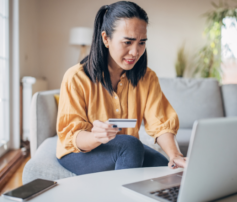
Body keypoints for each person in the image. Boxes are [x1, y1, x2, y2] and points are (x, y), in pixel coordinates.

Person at [56, 1, 187, 176]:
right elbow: (72, 136)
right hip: (79, 151)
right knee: (131, 145)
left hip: (124, 148)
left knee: (165, 168)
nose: (135, 52)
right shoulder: (76, 77)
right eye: (128, 42)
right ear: (105, 39)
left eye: (142, 42)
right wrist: (96, 136)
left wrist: (175, 155)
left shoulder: (147, 77)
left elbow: (161, 124)